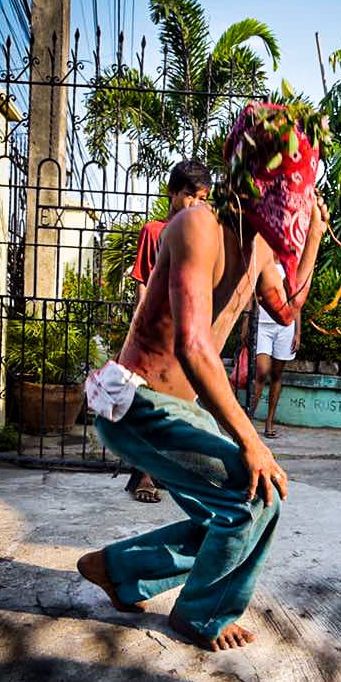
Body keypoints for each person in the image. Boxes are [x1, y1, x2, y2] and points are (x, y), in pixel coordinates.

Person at [79, 103, 329, 651]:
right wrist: (253, 441)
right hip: (137, 403)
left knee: (244, 509)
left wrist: (312, 239)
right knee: (251, 497)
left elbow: (287, 309)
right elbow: (193, 347)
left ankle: (118, 571)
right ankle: (199, 615)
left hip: (180, 411)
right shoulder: (198, 226)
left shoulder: (260, 253)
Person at [125, 160, 211, 503]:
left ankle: (175, 472)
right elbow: (143, 283)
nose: (194, 203)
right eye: (189, 195)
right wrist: (141, 328)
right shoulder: (154, 231)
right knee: (148, 401)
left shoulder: (203, 236)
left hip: (187, 331)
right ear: (173, 193)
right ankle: (144, 475)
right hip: (155, 331)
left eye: (201, 198)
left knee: (182, 405)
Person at [244, 259, 300, 438]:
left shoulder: (290, 265)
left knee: (276, 375)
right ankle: (248, 422)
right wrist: (245, 325)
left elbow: (296, 301)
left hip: (285, 326)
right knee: (261, 372)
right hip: (262, 324)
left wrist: (298, 333)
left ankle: (269, 421)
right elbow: (250, 295)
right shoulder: (260, 260)